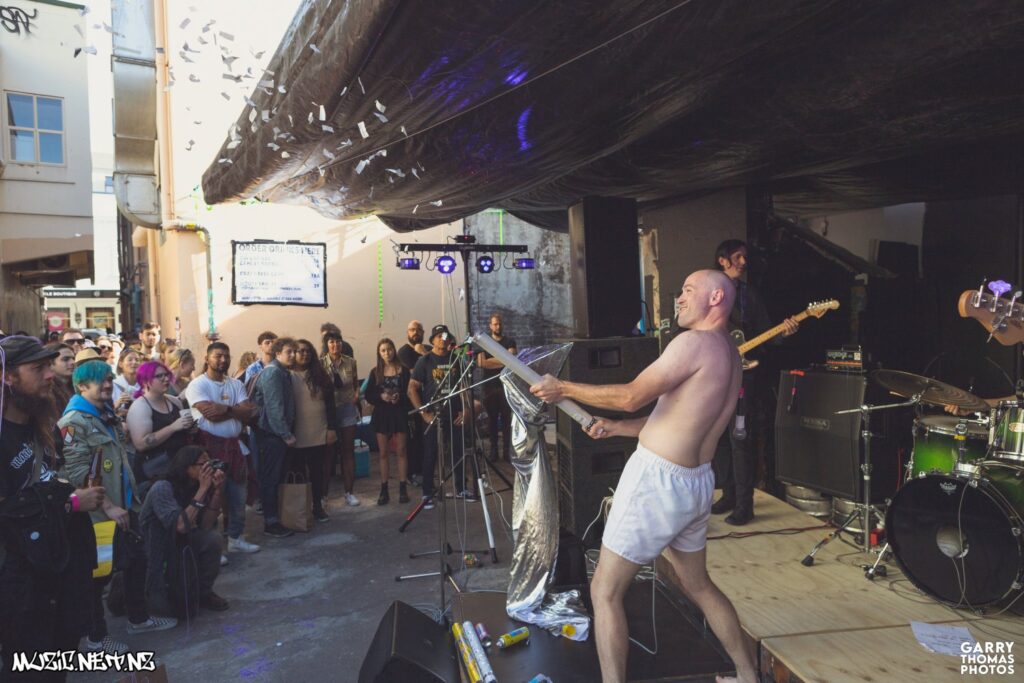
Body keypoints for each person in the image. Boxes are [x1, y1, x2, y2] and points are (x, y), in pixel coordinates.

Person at [530, 269, 757, 683]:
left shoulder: (694, 343)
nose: (680, 298)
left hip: (657, 482)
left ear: (717, 297)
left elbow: (633, 394)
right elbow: (681, 420)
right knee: (700, 585)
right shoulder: (730, 353)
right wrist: (618, 428)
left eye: (689, 290)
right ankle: (747, 675)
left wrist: (563, 387)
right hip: (696, 481)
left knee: (605, 591)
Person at [0, 336, 105, 679]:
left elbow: (46, 481)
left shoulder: (42, 424)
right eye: (38, 368)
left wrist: (70, 490)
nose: (50, 375)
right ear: (7, 377)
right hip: (20, 587)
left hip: (58, 572)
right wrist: (71, 502)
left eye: (49, 366)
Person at [59, 360, 177, 654]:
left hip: (126, 506)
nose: (108, 385)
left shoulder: (104, 415)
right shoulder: (74, 422)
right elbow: (77, 474)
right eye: (100, 381)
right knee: (98, 577)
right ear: (82, 386)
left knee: (137, 561)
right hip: (99, 515)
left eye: (109, 379)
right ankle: (97, 638)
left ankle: (138, 618)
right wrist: (109, 506)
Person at [712, 239, 798, 525]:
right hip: (713, 375)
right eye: (738, 257)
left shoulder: (750, 296)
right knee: (718, 439)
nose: (743, 262)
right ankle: (727, 494)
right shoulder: (709, 290)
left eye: (745, 257)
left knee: (739, 438)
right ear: (722, 260)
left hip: (743, 377)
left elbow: (766, 334)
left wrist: (784, 332)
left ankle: (744, 505)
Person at [187, 342, 261, 553]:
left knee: (238, 497)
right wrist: (235, 410)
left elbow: (249, 412)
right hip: (209, 451)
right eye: (218, 356)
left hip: (236, 449)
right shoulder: (197, 385)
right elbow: (211, 414)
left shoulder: (235, 384)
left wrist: (226, 408)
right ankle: (213, 546)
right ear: (207, 359)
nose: (223, 360)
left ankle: (236, 539)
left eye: (226, 356)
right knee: (212, 500)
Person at [140, 446, 230, 615]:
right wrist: (203, 489)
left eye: (210, 464)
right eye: (204, 464)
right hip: (155, 549)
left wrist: (217, 492)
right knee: (168, 611)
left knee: (212, 539)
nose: (209, 469)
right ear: (186, 467)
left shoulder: (197, 485)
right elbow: (180, 526)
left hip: (181, 542)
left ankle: (204, 592)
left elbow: (205, 525)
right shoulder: (162, 488)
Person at [408, 324, 475, 509]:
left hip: (455, 414)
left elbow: (464, 387)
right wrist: (423, 412)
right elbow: (411, 388)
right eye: (438, 336)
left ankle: (461, 488)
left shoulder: (457, 360)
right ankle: (427, 493)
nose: (442, 339)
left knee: (458, 451)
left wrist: (467, 409)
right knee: (430, 453)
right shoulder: (425, 361)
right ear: (432, 340)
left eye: (445, 336)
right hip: (434, 415)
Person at [125, 361, 194, 499]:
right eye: (159, 376)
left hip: (180, 469)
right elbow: (141, 444)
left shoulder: (174, 401)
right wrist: (173, 427)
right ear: (146, 381)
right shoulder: (140, 407)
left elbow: (182, 431)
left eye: (166, 375)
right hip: (155, 474)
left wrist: (191, 428)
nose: (166, 379)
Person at [251, 337, 297, 538]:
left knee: (276, 478)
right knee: (270, 478)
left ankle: (277, 517)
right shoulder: (273, 373)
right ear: (278, 353)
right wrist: (286, 434)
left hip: (275, 434)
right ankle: (271, 522)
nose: (293, 355)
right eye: (289, 352)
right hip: (270, 435)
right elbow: (274, 407)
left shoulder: (282, 372)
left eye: (294, 351)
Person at [289, 339, 338, 521]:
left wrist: (332, 428)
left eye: (308, 351)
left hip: (319, 431)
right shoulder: (287, 375)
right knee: (299, 473)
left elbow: (331, 405)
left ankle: (317, 506)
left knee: (318, 472)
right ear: (293, 353)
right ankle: (301, 509)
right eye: (300, 351)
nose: (304, 354)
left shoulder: (320, 375)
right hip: (296, 434)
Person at [365, 338, 412, 504]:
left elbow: (411, 393)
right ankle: (384, 490)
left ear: (394, 349)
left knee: (401, 451)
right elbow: (368, 395)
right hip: (382, 414)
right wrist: (381, 396)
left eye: (389, 349)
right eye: (383, 350)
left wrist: (401, 397)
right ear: (379, 353)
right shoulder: (375, 372)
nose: (387, 353)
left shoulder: (404, 370)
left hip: (399, 413)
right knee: (383, 453)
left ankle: (402, 488)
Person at [322, 330, 360, 507]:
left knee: (348, 451)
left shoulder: (350, 362)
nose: (335, 345)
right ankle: (322, 495)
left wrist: (356, 396)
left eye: (338, 341)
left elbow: (355, 383)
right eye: (331, 342)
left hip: (347, 409)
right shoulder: (320, 364)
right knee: (327, 454)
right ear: (326, 344)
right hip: (328, 411)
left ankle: (349, 492)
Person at [476, 313, 517, 462]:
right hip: (489, 387)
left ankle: (507, 452)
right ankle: (494, 451)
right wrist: (503, 358)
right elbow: (481, 363)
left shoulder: (510, 341)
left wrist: (493, 360)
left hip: (506, 386)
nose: (497, 326)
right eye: (494, 324)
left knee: (507, 421)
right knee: (492, 420)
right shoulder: (484, 343)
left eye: (499, 324)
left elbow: (511, 361)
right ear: (490, 325)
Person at [399, 320, 429, 487]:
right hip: (410, 403)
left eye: (418, 329)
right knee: (413, 440)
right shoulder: (403, 352)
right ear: (407, 332)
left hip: (428, 401)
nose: (415, 332)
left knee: (426, 439)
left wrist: (424, 352)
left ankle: (425, 471)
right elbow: (415, 374)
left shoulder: (428, 350)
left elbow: (434, 370)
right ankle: (412, 473)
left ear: (423, 332)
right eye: (412, 330)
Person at [46, 341, 76, 410]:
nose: (72, 362)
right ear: (50, 363)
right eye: (65, 359)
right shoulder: (46, 391)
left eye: (73, 358)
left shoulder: (79, 385)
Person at [112, 347, 143, 411]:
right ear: (121, 364)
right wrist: (117, 404)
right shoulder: (113, 385)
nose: (134, 362)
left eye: (137, 360)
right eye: (130, 360)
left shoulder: (144, 386)